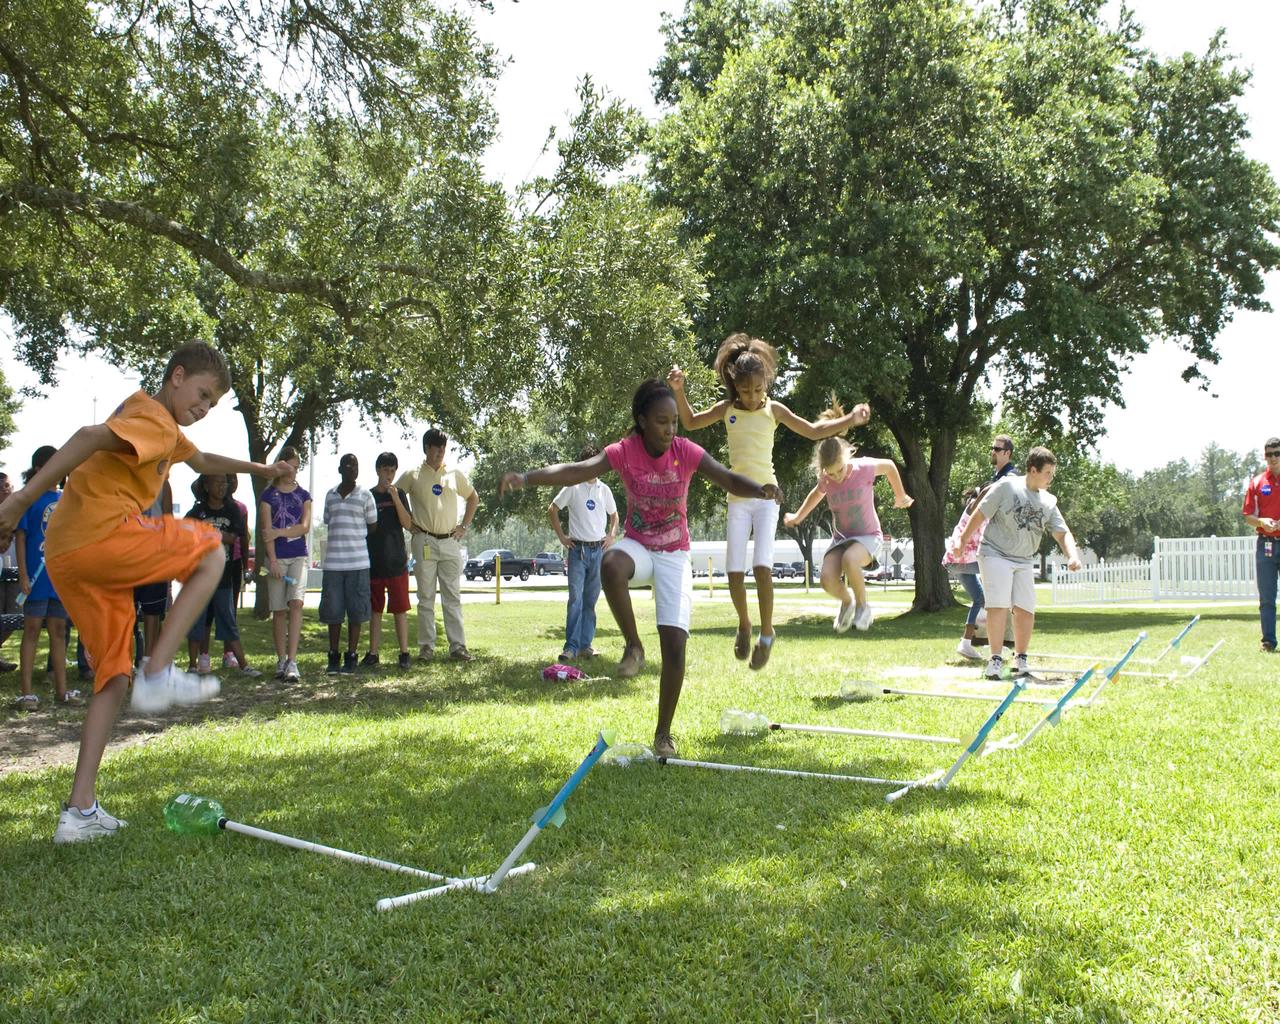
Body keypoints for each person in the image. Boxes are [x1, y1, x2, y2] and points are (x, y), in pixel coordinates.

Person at [0, 341, 289, 844]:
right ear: (176, 376)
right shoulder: (152, 417)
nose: (202, 409)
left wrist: (261, 471)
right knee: (211, 551)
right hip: (97, 535)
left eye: (212, 405)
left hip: (68, 557)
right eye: (201, 395)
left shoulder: (167, 431)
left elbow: (201, 461)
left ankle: (80, 812)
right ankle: (157, 670)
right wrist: (22, 497)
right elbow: (90, 436)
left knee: (111, 676)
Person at [500, 378, 781, 758]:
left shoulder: (686, 451)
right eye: (662, 422)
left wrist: (760, 488)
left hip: (675, 553)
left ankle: (663, 734)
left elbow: (726, 477)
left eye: (674, 423)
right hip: (640, 546)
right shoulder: (624, 451)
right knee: (611, 562)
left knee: (676, 648)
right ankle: (633, 645)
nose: (669, 430)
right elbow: (578, 471)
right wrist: (528, 478)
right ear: (642, 420)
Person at [668, 336, 869, 668]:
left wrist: (849, 420)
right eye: (746, 391)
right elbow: (689, 422)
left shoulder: (774, 409)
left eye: (759, 389)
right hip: (738, 497)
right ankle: (744, 624)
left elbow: (814, 431)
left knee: (762, 567)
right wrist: (678, 389)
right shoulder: (727, 410)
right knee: (734, 573)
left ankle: (767, 633)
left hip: (766, 496)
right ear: (735, 383)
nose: (752, 396)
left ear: (766, 384)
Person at [950, 445, 1082, 679]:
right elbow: (980, 513)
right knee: (998, 605)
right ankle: (995, 660)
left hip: (1023, 559)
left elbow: (1062, 533)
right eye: (1047, 473)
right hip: (994, 552)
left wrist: (1072, 555)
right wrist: (961, 540)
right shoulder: (1006, 486)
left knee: (1025, 609)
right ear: (1033, 470)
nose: (1051, 478)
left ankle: (1020, 660)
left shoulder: (1048, 501)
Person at [784, 410, 914, 633]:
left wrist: (900, 495)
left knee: (850, 559)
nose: (837, 477)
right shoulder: (827, 478)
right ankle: (847, 601)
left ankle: (864, 607)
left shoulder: (864, 468)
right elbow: (816, 495)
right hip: (842, 538)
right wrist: (797, 516)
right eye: (831, 473)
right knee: (826, 578)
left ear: (847, 457)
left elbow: (891, 466)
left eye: (840, 470)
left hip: (868, 536)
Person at [397, 428, 477, 662]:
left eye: (443, 447)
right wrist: (409, 522)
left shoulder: (454, 473)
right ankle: (426, 648)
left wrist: (464, 526)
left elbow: (473, 497)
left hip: (450, 540)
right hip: (424, 540)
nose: (440, 452)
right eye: (435, 447)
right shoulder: (412, 474)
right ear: (426, 449)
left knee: (452, 596)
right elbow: (396, 495)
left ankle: (458, 647)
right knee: (426, 597)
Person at [14, 445, 81, 709]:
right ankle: (26, 692)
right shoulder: (28, 499)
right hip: (35, 577)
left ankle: (62, 690)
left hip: (60, 577)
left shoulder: (67, 498)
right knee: (31, 629)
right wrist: (22, 574)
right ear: (39, 469)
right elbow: (21, 538)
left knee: (59, 630)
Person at [547, 444, 619, 662]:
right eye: (588, 464)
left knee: (590, 601)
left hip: (598, 551)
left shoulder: (604, 490)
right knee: (575, 600)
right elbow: (552, 510)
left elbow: (614, 515)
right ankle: (571, 646)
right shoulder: (572, 487)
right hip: (577, 551)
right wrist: (562, 537)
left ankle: (586, 645)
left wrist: (611, 535)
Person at [184, 474, 259, 678]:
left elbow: (232, 537)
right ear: (206, 486)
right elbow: (186, 535)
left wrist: (206, 534)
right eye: (217, 482)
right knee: (197, 619)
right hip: (199, 576)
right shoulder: (196, 512)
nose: (222, 487)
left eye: (224, 483)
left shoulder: (232, 510)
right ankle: (192, 665)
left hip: (223, 575)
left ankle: (243, 664)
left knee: (228, 618)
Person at [321, 454, 377, 674]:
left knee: (356, 612)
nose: (351, 468)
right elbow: (328, 520)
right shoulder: (330, 495)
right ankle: (333, 656)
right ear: (339, 469)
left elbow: (372, 525)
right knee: (333, 612)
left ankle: (351, 656)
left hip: (358, 563)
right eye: (347, 465)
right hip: (333, 564)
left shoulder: (365, 495)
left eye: (355, 465)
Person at [259, 446, 311, 682]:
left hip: (298, 554)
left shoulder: (304, 495)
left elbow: (304, 527)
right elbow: (265, 532)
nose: (293, 470)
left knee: (296, 603)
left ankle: (292, 660)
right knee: (279, 610)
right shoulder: (268, 496)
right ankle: (281, 659)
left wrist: (279, 532)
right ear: (280, 466)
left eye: (296, 466)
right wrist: (272, 561)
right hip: (276, 559)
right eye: (289, 465)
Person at [364, 453, 414, 670]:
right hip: (374, 562)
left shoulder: (400, 494)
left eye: (392, 471)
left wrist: (394, 497)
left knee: (400, 609)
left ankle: (404, 653)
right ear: (377, 471)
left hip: (397, 563)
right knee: (375, 611)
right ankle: (373, 653)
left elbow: (407, 523)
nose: (389, 475)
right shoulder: (368, 496)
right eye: (385, 470)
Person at [942, 484, 992, 661]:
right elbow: (985, 493)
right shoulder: (972, 507)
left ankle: (966, 643)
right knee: (999, 572)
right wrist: (1000, 483)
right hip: (963, 560)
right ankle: (996, 641)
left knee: (980, 599)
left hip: (960, 563)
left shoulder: (984, 516)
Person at [1242, 437, 1280, 653]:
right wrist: (1262, 522)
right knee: (1267, 596)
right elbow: (1248, 516)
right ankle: (1268, 641)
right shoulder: (1257, 483)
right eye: (1269, 454)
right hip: (1266, 544)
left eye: (1277, 453)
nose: (1273, 458)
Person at [133, 481, 174, 664]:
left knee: (153, 612)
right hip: (128, 553)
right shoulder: (124, 479)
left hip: (155, 555)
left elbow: (168, 519)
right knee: (125, 613)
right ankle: (122, 664)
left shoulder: (163, 483)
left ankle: (148, 662)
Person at [220, 476, 252, 669]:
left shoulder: (241, 508)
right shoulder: (212, 505)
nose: (231, 482)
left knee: (230, 610)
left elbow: (244, 537)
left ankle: (228, 653)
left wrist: (246, 566)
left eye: (234, 479)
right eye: (228, 479)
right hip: (215, 562)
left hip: (235, 561)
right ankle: (202, 654)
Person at [0, 471, 17, 672]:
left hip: (14, 570)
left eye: (9, 485)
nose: (8, 490)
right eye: (4, 487)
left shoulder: (17, 510)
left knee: (14, 616)